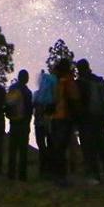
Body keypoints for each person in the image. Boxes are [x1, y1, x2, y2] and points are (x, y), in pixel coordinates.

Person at [76, 59, 104, 183]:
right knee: (103, 145)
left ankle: (94, 175)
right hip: (101, 117)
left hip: (86, 120)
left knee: (89, 149)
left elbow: (77, 103)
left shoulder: (79, 83)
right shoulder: (100, 81)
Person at [47, 58, 80, 186]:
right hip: (65, 117)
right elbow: (74, 98)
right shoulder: (68, 80)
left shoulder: (56, 81)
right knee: (62, 147)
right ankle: (62, 176)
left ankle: (57, 175)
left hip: (56, 118)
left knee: (57, 148)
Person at [6, 70, 34, 181]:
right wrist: (27, 122)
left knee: (12, 150)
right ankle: (22, 175)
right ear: (26, 78)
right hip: (23, 124)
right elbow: (29, 109)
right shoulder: (27, 92)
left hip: (13, 123)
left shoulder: (12, 88)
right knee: (23, 151)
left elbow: (7, 105)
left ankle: (11, 175)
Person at [33, 68, 58, 178]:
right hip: (49, 122)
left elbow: (33, 108)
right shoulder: (52, 97)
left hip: (39, 123)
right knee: (51, 144)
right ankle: (51, 168)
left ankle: (43, 169)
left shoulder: (37, 95)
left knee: (41, 145)